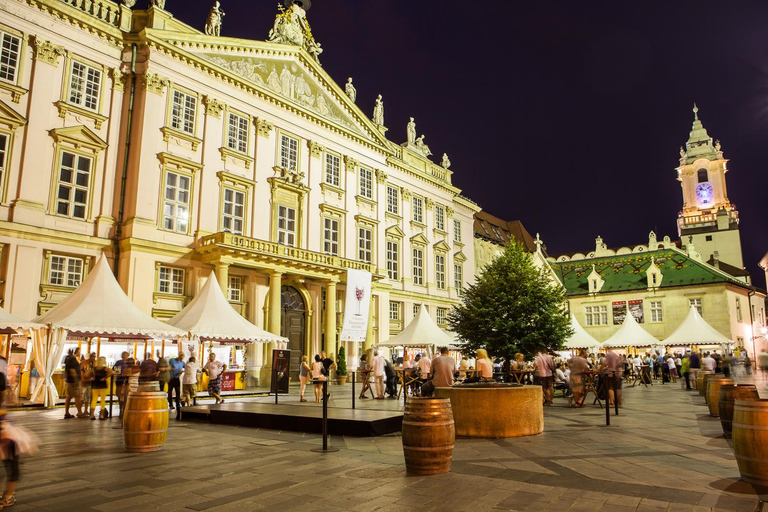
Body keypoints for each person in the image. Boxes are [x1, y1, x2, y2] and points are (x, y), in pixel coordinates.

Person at [64, 348, 84, 419]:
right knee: (77, 396)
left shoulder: (68, 358)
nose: (80, 353)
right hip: (73, 381)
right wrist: (76, 380)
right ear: (77, 351)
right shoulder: (72, 359)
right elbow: (72, 370)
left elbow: (66, 371)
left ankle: (66, 412)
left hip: (69, 380)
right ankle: (80, 412)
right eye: (79, 351)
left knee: (69, 396)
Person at [112, 351, 130, 417]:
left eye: (125, 355)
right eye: (123, 355)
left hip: (126, 381)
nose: (124, 356)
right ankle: (121, 409)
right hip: (119, 380)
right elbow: (115, 370)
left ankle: (124, 410)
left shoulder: (129, 362)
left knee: (125, 396)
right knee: (119, 395)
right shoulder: (118, 362)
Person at [80, 352, 96, 418]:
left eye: (94, 357)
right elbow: (81, 371)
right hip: (84, 382)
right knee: (82, 397)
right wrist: (82, 379)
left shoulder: (95, 363)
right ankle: (80, 411)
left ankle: (86, 410)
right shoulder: (84, 362)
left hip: (90, 382)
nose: (93, 358)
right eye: (92, 356)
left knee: (88, 397)